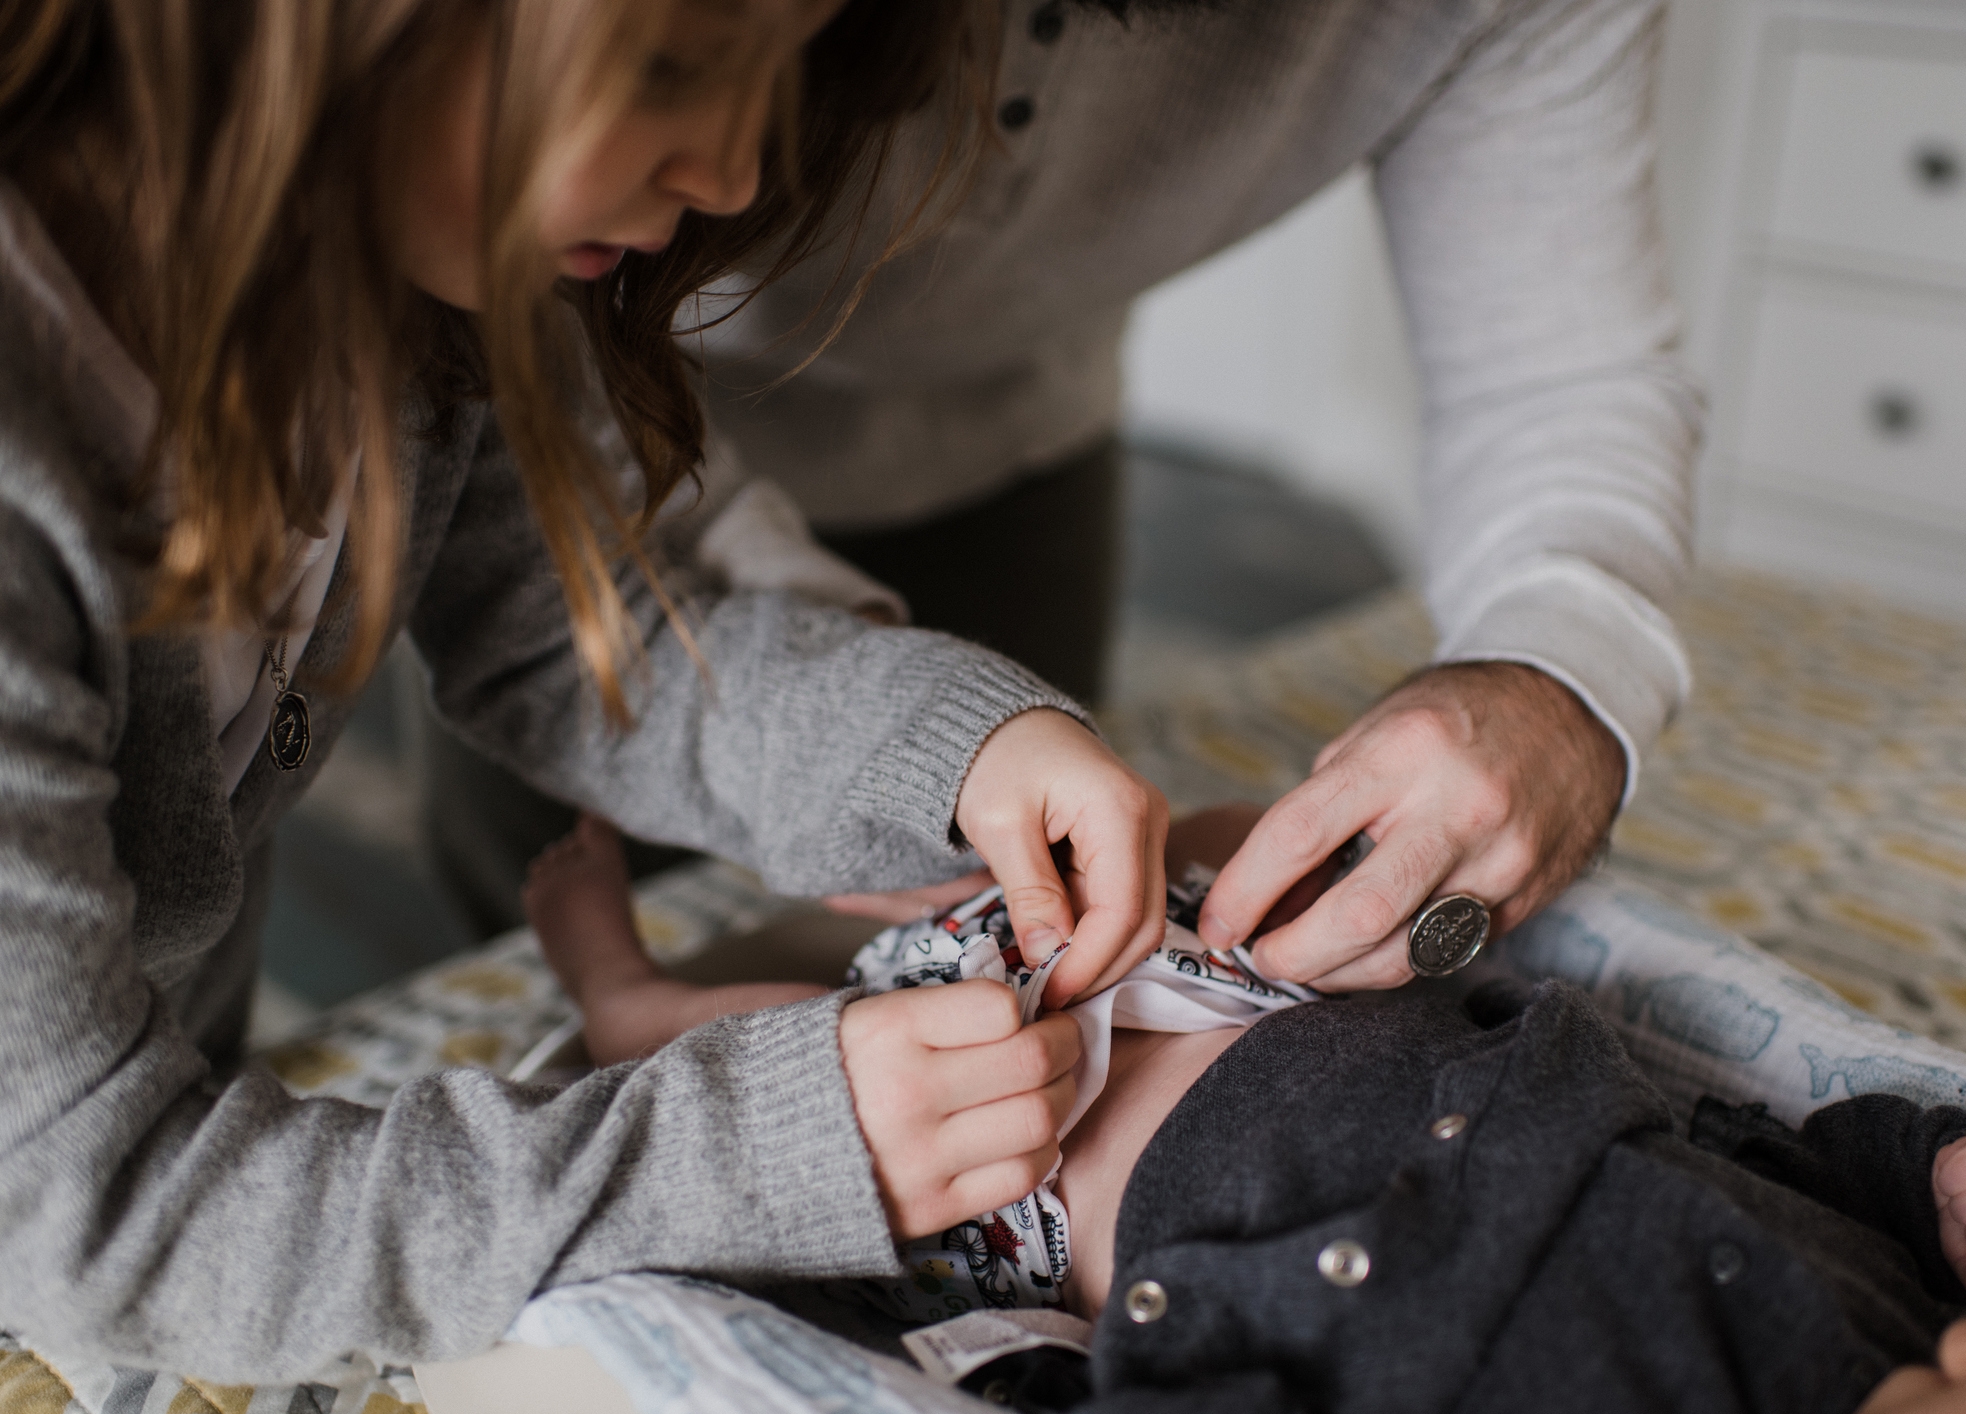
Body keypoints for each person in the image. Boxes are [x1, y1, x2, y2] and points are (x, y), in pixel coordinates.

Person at [0, 0, 1173, 1380]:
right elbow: (104, 1217)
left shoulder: (382, 265)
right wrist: (752, 1145)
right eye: (670, 69)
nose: (732, 176)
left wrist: (954, 747)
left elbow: (578, 639)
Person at [433, 0, 1700, 1001]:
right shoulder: (426, 373)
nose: (727, 171)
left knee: (1011, 870)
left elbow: (1564, 372)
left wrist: (1557, 684)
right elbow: (547, 628)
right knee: (550, 941)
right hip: (559, 433)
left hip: (1011, 437)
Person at [525, 805, 1966, 1414]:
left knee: (836, 1071)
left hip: (1044, 1185)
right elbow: (1799, 1138)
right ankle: (776, 810)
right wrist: (1947, 1160)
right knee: (1112, 854)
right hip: (1290, 991)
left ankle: (634, 1003)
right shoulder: (1909, 1286)